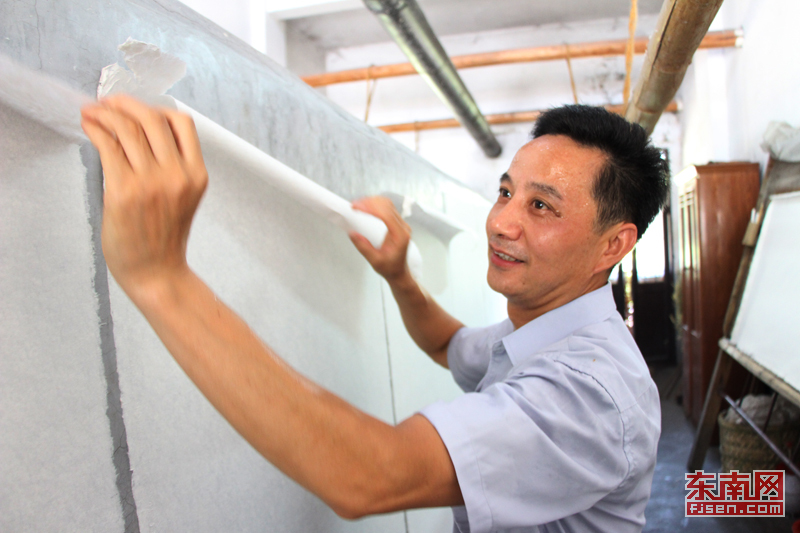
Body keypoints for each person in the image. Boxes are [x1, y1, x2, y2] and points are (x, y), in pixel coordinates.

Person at [80, 97, 667, 532]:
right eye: (506, 192)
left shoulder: (588, 392)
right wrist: (398, 274)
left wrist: (160, 278)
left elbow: (369, 475)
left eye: (541, 206)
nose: (501, 222)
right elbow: (447, 344)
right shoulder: (542, 334)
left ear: (612, 245)